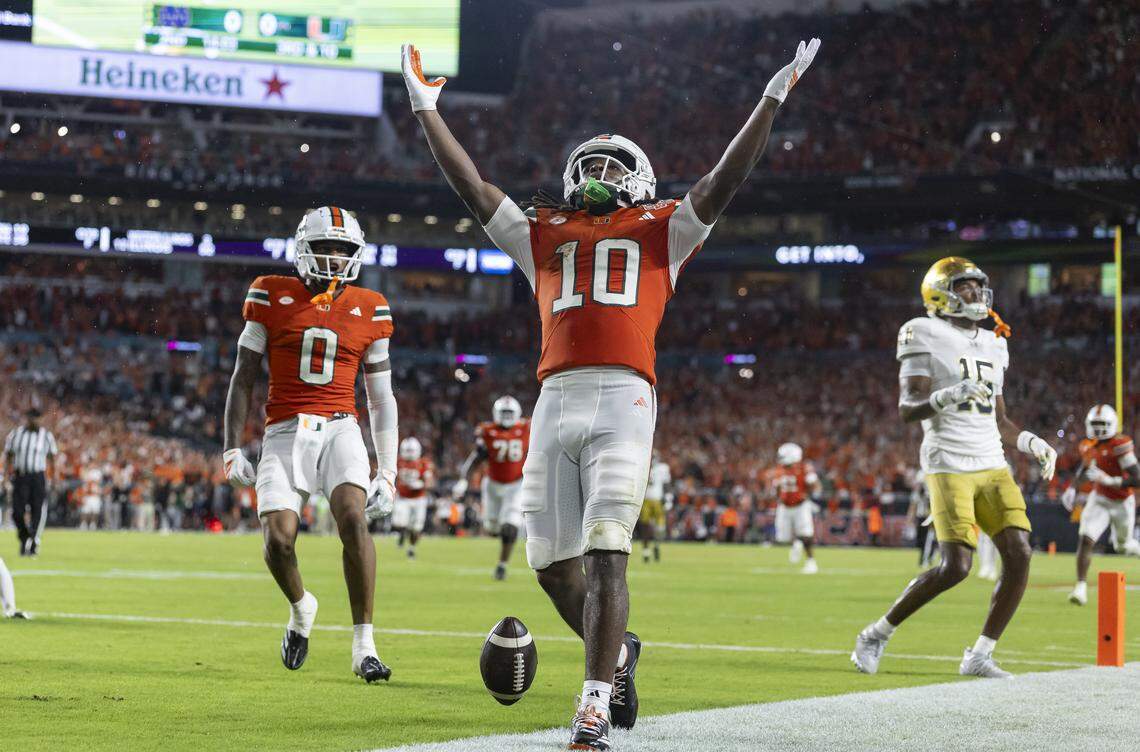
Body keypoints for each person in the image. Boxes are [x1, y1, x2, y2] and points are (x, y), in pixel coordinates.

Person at [403, 36, 820, 750]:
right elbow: (473, 189)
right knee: (547, 565)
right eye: (587, 164)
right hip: (554, 399)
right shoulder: (543, 231)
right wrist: (424, 108)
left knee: (606, 549)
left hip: (624, 396)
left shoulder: (664, 228)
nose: (595, 171)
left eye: (609, 164)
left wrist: (771, 99)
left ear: (639, 177)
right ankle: (619, 654)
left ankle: (592, 704)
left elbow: (725, 179)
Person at [851, 257, 1058, 679]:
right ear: (940, 292)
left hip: (992, 462)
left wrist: (1031, 442)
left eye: (979, 286)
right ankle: (877, 633)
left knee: (1019, 554)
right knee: (956, 567)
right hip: (948, 461)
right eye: (965, 287)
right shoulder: (922, 330)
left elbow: (1000, 420)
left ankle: (979, 654)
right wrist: (948, 396)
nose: (976, 294)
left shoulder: (995, 342)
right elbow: (908, 409)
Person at [222, 206, 399, 683]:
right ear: (303, 249)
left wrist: (388, 471)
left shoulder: (371, 305)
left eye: (344, 250)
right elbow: (243, 379)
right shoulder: (269, 293)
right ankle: (302, 609)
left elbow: (381, 398)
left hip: (342, 425)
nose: (336, 258)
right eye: (326, 248)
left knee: (353, 519)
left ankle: (364, 645)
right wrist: (231, 446)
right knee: (278, 541)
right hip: (284, 428)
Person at [1061, 404, 1140, 605]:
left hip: (1122, 501)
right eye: (1095, 424)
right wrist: (1072, 488)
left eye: (1102, 424)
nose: (1098, 429)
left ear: (1112, 424)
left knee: (1123, 546)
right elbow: (1085, 467)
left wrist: (1110, 480)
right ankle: (1080, 588)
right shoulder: (1088, 444)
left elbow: (1137, 478)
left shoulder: (1120, 445)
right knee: (1086, 538)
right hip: (1100, 499)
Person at [453, 396, 530, 580]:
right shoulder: (487, 431)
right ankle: (499, 534)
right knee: (492, 527)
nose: (506, 416)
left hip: (516, 484)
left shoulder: (527, 428)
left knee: (509, 526)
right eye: (503, 412)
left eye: (510, 412)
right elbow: (476, 458)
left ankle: (502, 565)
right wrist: (464, 480)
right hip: (492, 485)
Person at [3, 408, 58, 557]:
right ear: (27, 418)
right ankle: (25, 537)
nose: (35, 421)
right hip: (20, 476)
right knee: (17, 512)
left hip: (37, 477)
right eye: (32, 417)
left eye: (37, 418)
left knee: (37, 510)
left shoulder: (46, 436)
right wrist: (6, 477)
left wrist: (54, 478)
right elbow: (8, 455)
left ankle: (33, 541)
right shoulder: (16, 434)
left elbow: (52, 458)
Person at [771, 442, 822, 573]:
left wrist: (811, 491)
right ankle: (797, 543)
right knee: (782, 538)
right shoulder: (779, 470)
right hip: (784, 506)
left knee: (806, 534)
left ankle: (811, 562)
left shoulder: (804, 468)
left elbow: (816, 486)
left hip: (801, 505)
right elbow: (776, 489)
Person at [393, 437, 434, 560]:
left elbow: (430, 482)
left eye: (411, 451)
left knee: (416, 528)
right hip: (403, 497)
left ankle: (411, 548)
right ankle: (401, 533)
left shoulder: (423, 463)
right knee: (399, 523)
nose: (410, 454)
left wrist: (421, 485)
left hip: (419, 499)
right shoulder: (398, 461)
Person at [636, 452, 672, 563]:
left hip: (658, 500)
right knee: (645, 525)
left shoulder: (663, 468)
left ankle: (656, 545)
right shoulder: (641, 466)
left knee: (660, 528)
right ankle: (646, 551)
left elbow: (666, 484)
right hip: (645, 500)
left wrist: (668, 498)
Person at [906, 470, 938, 568]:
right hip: (921, 516)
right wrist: (910, 518)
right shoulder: (919, 492)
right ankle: (927, 557)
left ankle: (926, 559)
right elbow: (914, 504)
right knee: (921, 539)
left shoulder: (932, 490)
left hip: (931, 515)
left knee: (929, 538)